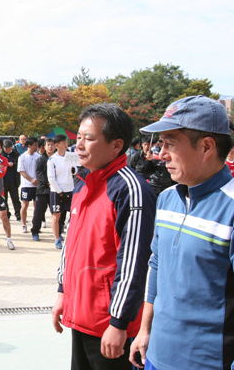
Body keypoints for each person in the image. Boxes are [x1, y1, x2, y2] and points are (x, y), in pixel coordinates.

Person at [129, 96, 234, 370]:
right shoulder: (166, 199)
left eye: (170, 143)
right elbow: (157, 264)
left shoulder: (231, 207)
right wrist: (145, 330)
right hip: (156, 354)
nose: (161, 154)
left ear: (206, 146)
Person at [52, 103, 156, 370]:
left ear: (116, 145)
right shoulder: (83, 185)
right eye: (79, 137)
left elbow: (134, 261)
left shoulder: (130, 189)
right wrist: (63, 292)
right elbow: (71, 247)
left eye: (89, 139)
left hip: (109, 325)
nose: (79, 146)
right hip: (80, 316)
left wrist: (118, 323)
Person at [48, 134, 73, 249]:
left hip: (70, 189)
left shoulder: (71, 156)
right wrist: (60, 192)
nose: (66, 144)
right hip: (57, 191)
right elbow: (51, 178)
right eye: (64, 143)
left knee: (73, 214)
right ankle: (57, 238)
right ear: (57, 145)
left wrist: (74, 170)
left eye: (66, 142)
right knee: (56, 215)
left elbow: (77, 169)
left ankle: (71, 236)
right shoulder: (52, 160)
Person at [31, 138, 58, 241]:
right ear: (45, 147)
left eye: (52, 145)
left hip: (55, 190)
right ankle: (35, 231)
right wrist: (49, 182)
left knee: (57, 213)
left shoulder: (58, 159)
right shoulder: (40, 160)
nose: (50, 147)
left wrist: (54, 184)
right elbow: (39, 174)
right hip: (42, 190)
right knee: (38, 213)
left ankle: (58, 233)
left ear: (55, 146)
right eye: (48, 145)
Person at [17, 136, 40, 235]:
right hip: (26, 185)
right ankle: (23, 224)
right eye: (35, 145)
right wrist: (31, 179)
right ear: (29, 146)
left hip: (37, 186)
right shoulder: (22, 157)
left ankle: (35, 224)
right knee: (25, 205)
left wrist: (37, 180)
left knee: (37, 206)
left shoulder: (38, 157)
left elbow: (40, 170)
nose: (37, 147)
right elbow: (21, 171)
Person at [0, 139, 21, 221]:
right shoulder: (1, 154)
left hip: (13, 180)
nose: (6, 150)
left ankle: (18, 214)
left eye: (8, 148)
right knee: (4, 198)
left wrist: (13, 164)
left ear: (11, 147)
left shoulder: (16, 154)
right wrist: (6, 165)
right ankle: (7, 214)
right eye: (4, 148)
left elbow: (19, 164)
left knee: (15, 198)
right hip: (3, 180)